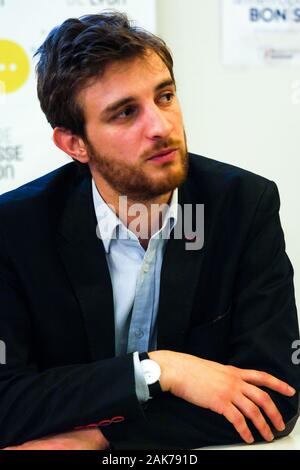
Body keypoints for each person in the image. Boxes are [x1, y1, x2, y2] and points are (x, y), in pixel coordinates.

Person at [0, 12, 299, 451]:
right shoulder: (15, 229)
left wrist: (100, 436)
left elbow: (273, 396)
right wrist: (159, 370)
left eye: (165, 96)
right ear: (74, 144)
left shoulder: (243, 206)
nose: (161, 126)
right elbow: (7, 399)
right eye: (125, 113)